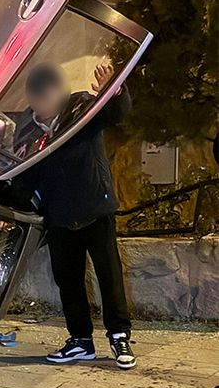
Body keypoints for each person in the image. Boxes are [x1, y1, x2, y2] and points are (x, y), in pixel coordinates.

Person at [14, 61, 137, 370]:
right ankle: (80, 340)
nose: (43, 106)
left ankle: (119, 334)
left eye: (48, 98)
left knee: (109, 275)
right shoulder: (26, 128)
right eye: (37, 100)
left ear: (60, 91)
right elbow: (22, 174)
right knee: (67, 280)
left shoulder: (82, 108)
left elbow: (116, 114)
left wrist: (115, 90)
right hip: (58, 213)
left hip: (95, 205)